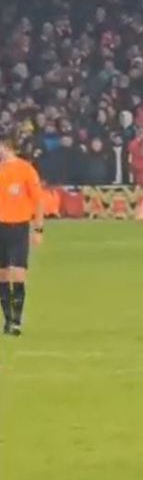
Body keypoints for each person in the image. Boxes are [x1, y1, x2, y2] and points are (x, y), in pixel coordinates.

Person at [0, 133, 44, 337]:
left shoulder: (26, 169)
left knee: (18, 274)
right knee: (2, 275)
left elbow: (38, 201)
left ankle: (16, 321)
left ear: (8, 148)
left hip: (18, 228)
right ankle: (7, 320)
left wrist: (38, 229)